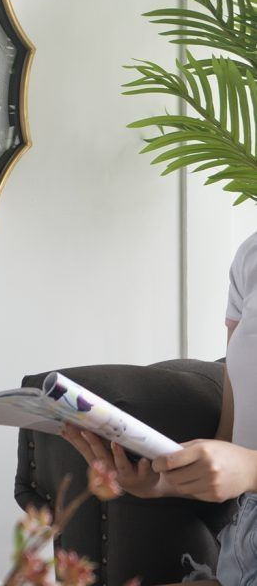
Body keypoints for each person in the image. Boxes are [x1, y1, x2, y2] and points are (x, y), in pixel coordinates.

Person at [62, 231, 257, 586]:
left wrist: (250, 469)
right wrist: (164, 480)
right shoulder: (251, 256)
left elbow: (245, 463)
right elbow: (230, 438)